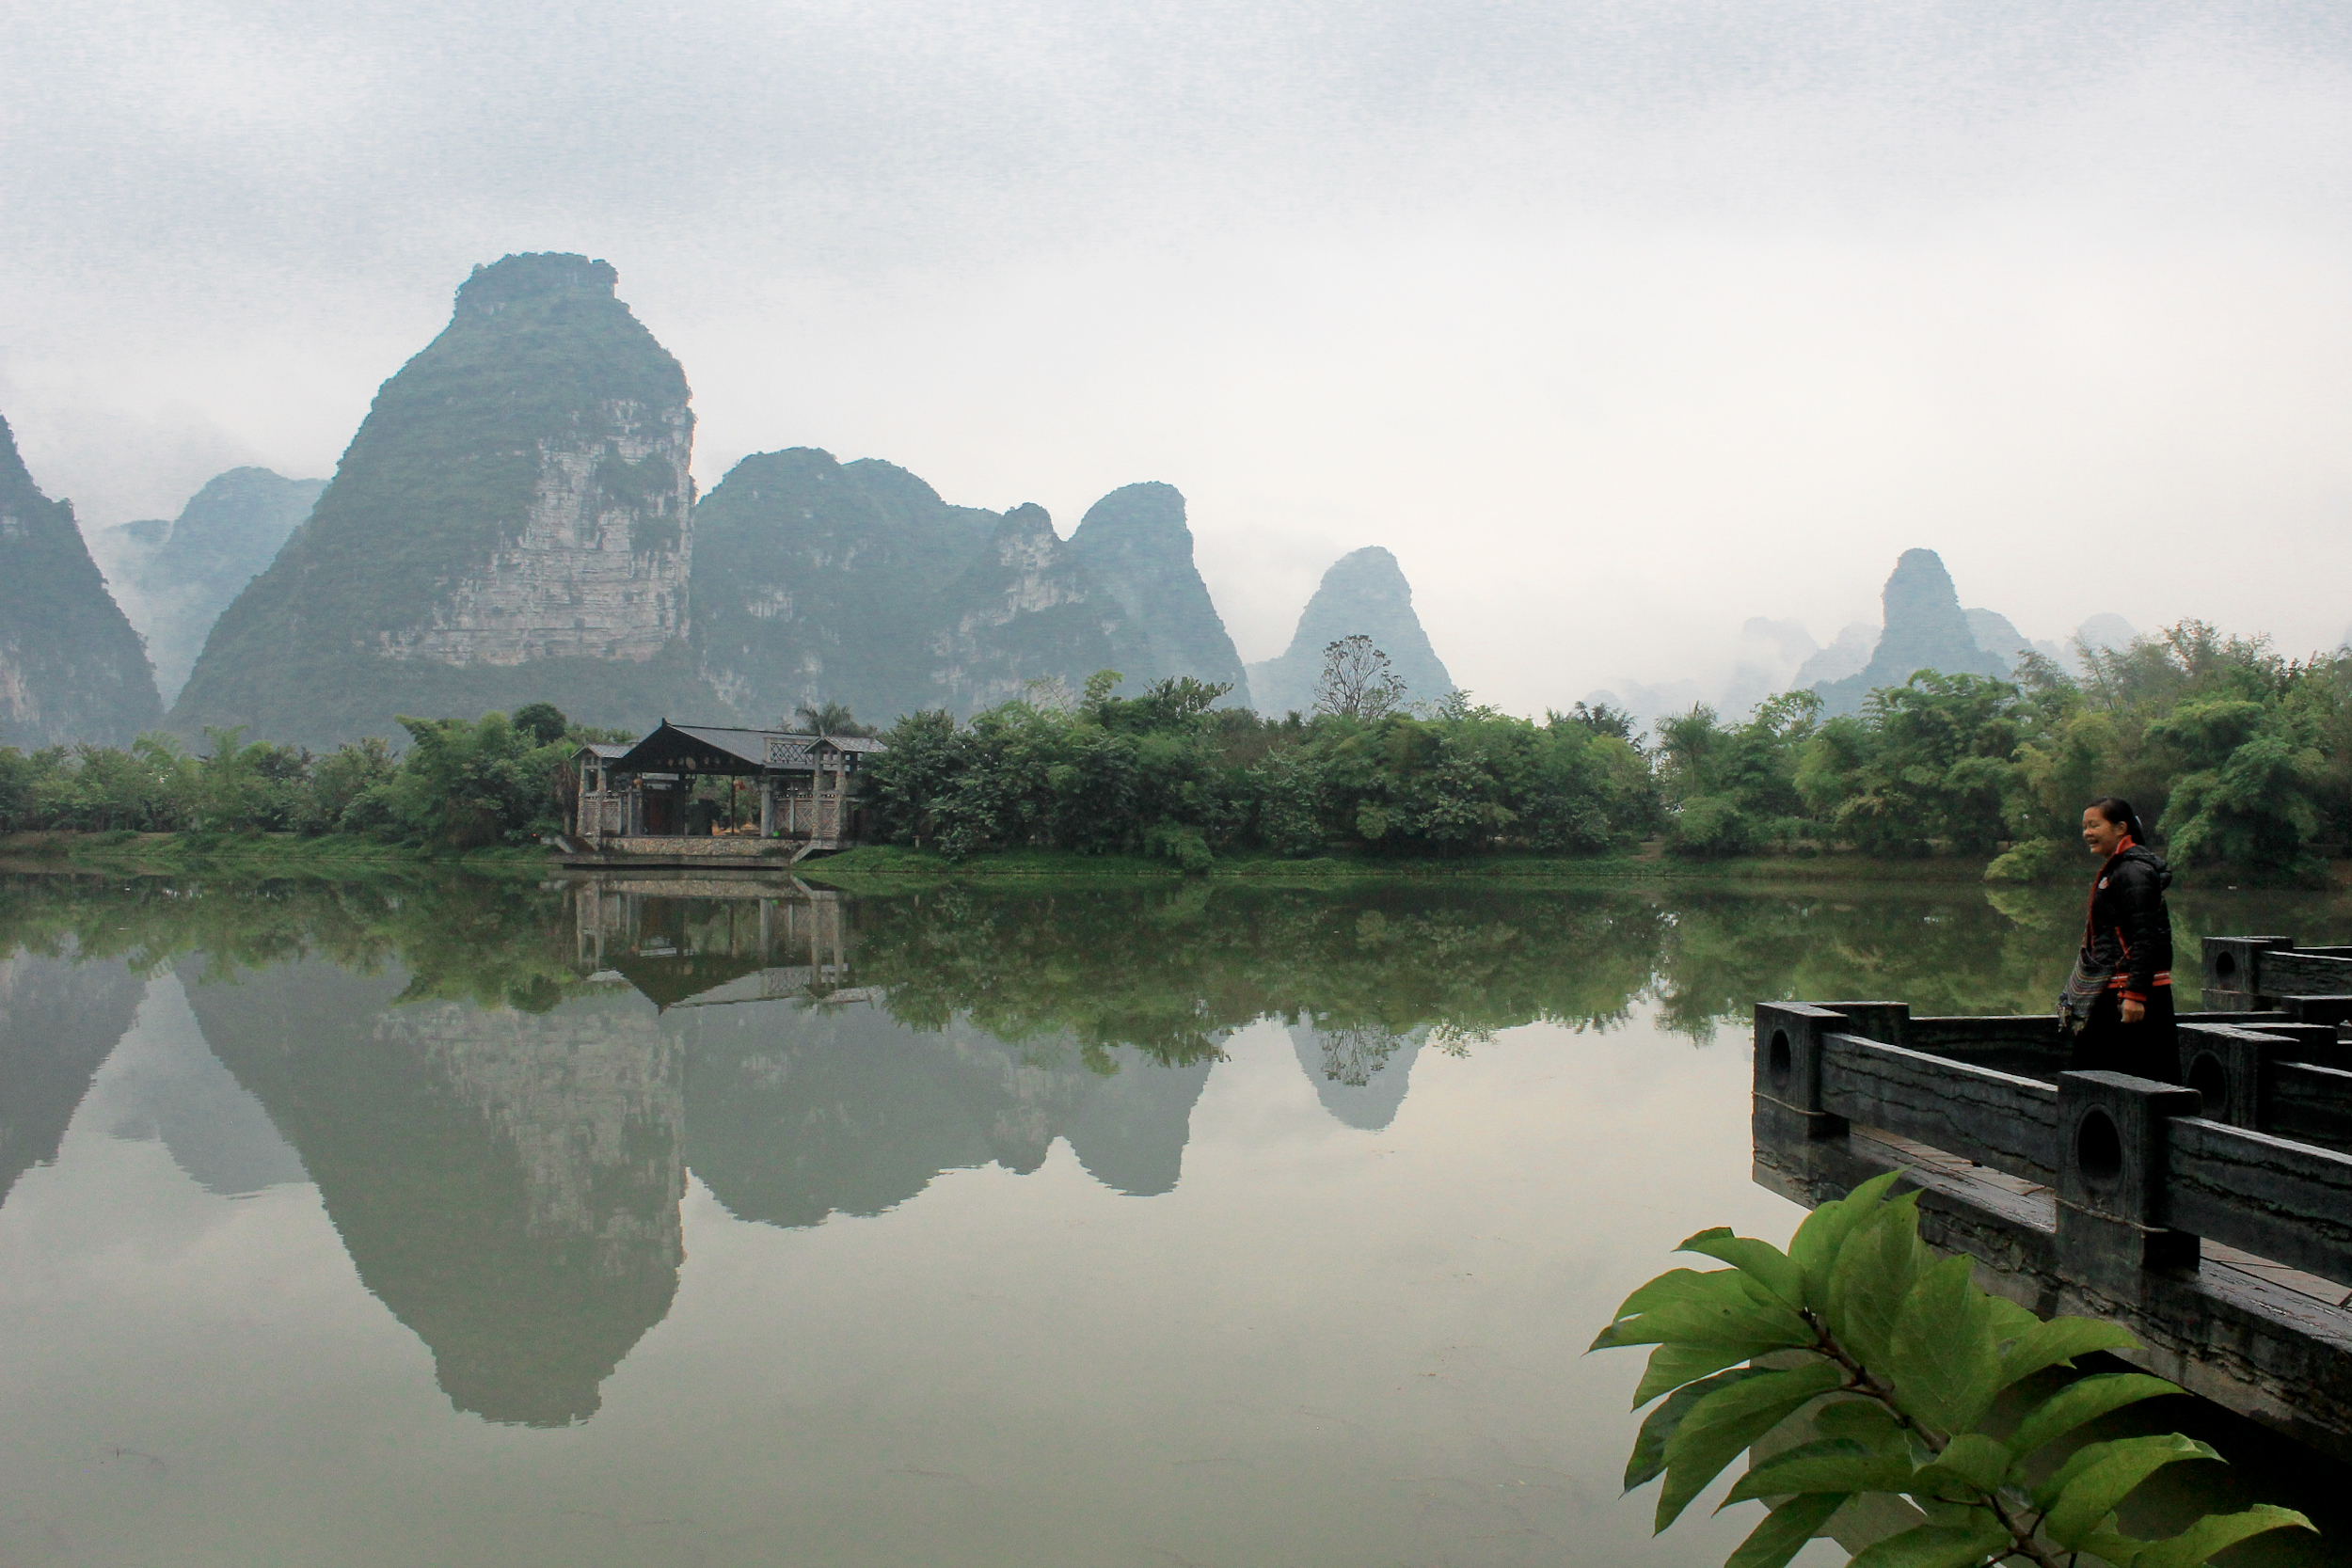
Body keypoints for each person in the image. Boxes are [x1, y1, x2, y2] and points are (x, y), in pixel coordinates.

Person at [2059, 797, 2175, 1075]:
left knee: (2136, 1075)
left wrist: (2135, 995)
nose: (2087, 832)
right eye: (2085, 826)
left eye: (2094, 825)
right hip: (2112, 989)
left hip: (2129, 995)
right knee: (2096, 1074)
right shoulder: (2120, 868)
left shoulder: (2133, 872)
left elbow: (2146, 938)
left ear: (2121, 828)